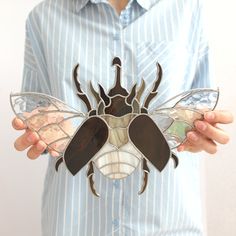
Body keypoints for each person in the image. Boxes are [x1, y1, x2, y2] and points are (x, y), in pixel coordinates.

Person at [12, 0, 233, 235]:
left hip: (169, 225)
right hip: (75, 224)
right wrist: (42, 135)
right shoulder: (42, 19)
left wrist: (200, 131)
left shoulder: (188, 10)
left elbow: (196, 112)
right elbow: (38, 115)